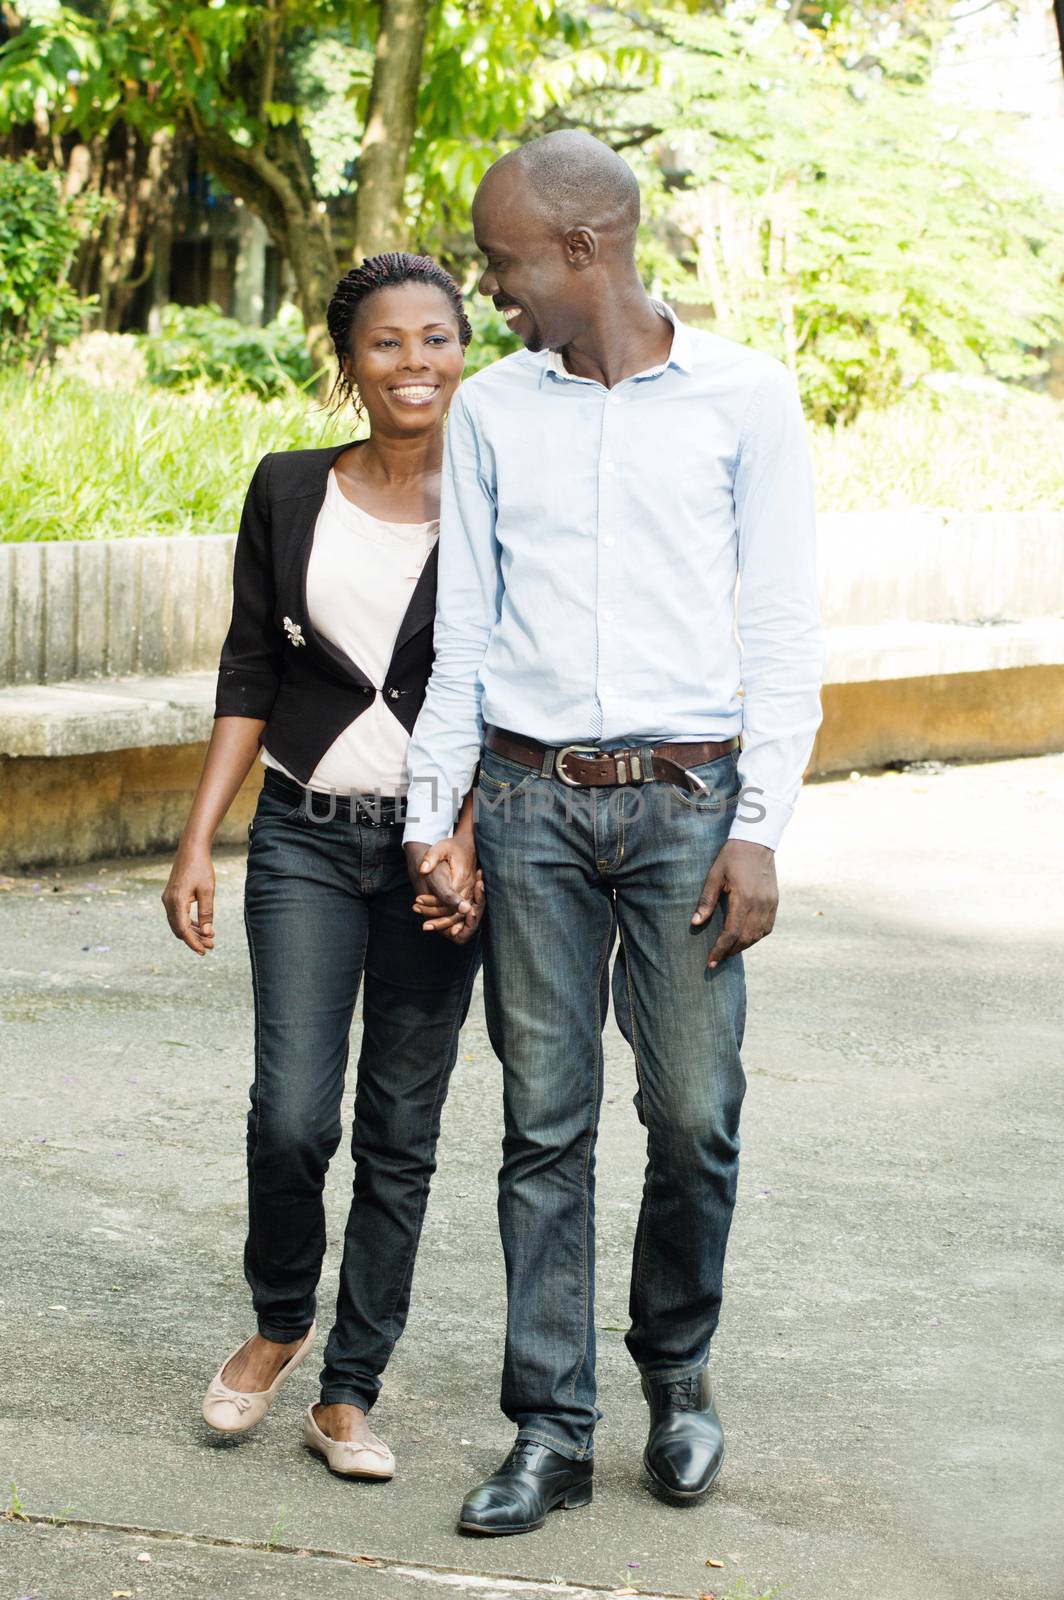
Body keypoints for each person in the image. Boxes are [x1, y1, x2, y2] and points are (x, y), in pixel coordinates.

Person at [403, 132, 824, 1534]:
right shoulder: (494, 414)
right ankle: (551, 1428)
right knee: (543, 1126)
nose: (491, 288)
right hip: (525, 808)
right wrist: (432, 822)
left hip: (688, 809)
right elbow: (464, 627)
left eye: (505, 259)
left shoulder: (746, 402)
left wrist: (759, 824)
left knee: (696, 1118)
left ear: (586, 249)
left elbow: (778, 625)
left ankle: (680, 1378)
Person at [162, 252, 483, 1483]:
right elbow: (252, 667)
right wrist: (200, 836)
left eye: (438, 339)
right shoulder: (289, 487)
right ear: (348, 361)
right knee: (291, 1112)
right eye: (388, 343)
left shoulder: (499, 503)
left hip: (436, 852)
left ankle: (350, 1389)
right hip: (300, 832)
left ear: (466, 349)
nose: (416, 364)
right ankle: (280, 1318)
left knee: (399, 1126)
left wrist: (475, 842)